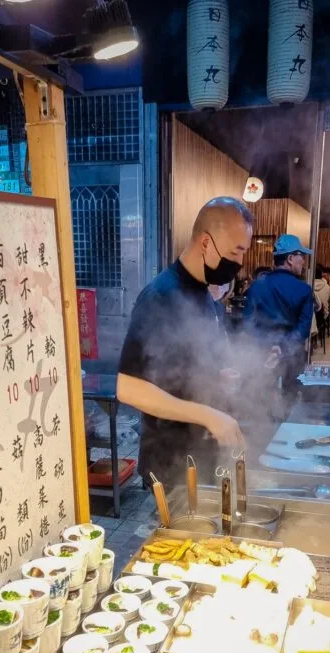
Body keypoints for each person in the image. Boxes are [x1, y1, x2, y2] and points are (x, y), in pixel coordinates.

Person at [117, 197, 253, 488]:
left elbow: (181, 366)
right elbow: (128, 388)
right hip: (172, 464)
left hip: (201, 456)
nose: (240, 263)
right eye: (236, 251)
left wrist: (217, 378)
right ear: (206, 243)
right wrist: (209, 415)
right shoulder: (160, 296)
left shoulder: (203, 293)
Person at [244, 234, 314, 384]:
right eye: (301, 256)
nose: (303, 261)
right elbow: (303, 330)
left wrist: (267, 347)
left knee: (260, 399)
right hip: (292, 359)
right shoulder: (304, 290)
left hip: (261, 357)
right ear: (290, 259)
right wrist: (282, 348)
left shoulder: (256, 286)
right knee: (290, 402)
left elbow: (247, 323)